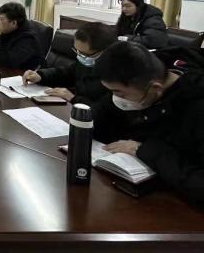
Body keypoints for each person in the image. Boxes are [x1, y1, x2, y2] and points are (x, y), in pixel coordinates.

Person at [92, 41, 204, 204]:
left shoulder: (197, 108)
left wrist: (145, 150)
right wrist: (85, 124)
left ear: (155, 88)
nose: (116, 98)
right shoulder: (138, 75)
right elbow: (103, 110)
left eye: (120, 94)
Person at [22, 22, 117, 105]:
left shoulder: (116, 76)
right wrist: (40, 76)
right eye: (77, 51)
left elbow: (105, 110)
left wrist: (72, 98)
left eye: (84, 54)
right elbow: (67, 73)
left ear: (105, 52)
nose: (79, 56)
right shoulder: (85, 62)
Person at [0, 2, 45, 70]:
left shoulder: (28, 38)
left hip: (24, 74)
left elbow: (10, 60)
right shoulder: (9, 31)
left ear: (14, 23)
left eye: (1, 19)